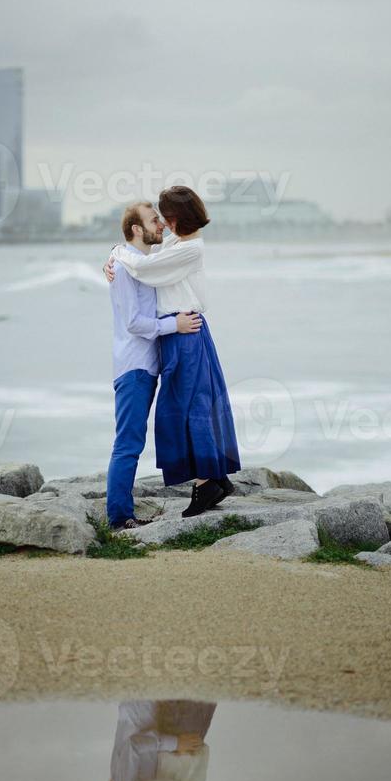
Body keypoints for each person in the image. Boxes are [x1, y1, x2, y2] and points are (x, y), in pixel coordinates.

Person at [106, 187, 241, 517]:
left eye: (164, 217)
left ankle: (206, 482)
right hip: (175, 333)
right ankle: (213, 477)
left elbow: (145, 268)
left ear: (177, 217)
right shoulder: (173, 244)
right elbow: (143, 261)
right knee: (187, 409)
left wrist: (117, 253)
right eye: (158, 219)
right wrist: (116, 252)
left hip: (184, 331)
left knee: (185, 410)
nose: (163, 224)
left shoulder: (189, 249)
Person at [106, 202, 202, 531]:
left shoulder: (142, 263)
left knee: (136, 439)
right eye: (153, 220)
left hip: (147, 367)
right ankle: (119, 518)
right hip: (133, 367)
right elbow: (133, 322)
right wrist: (175, 324)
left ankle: (124, 511)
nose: (159, 224)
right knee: (128, 442)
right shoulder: (122, 268)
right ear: (136, 229)